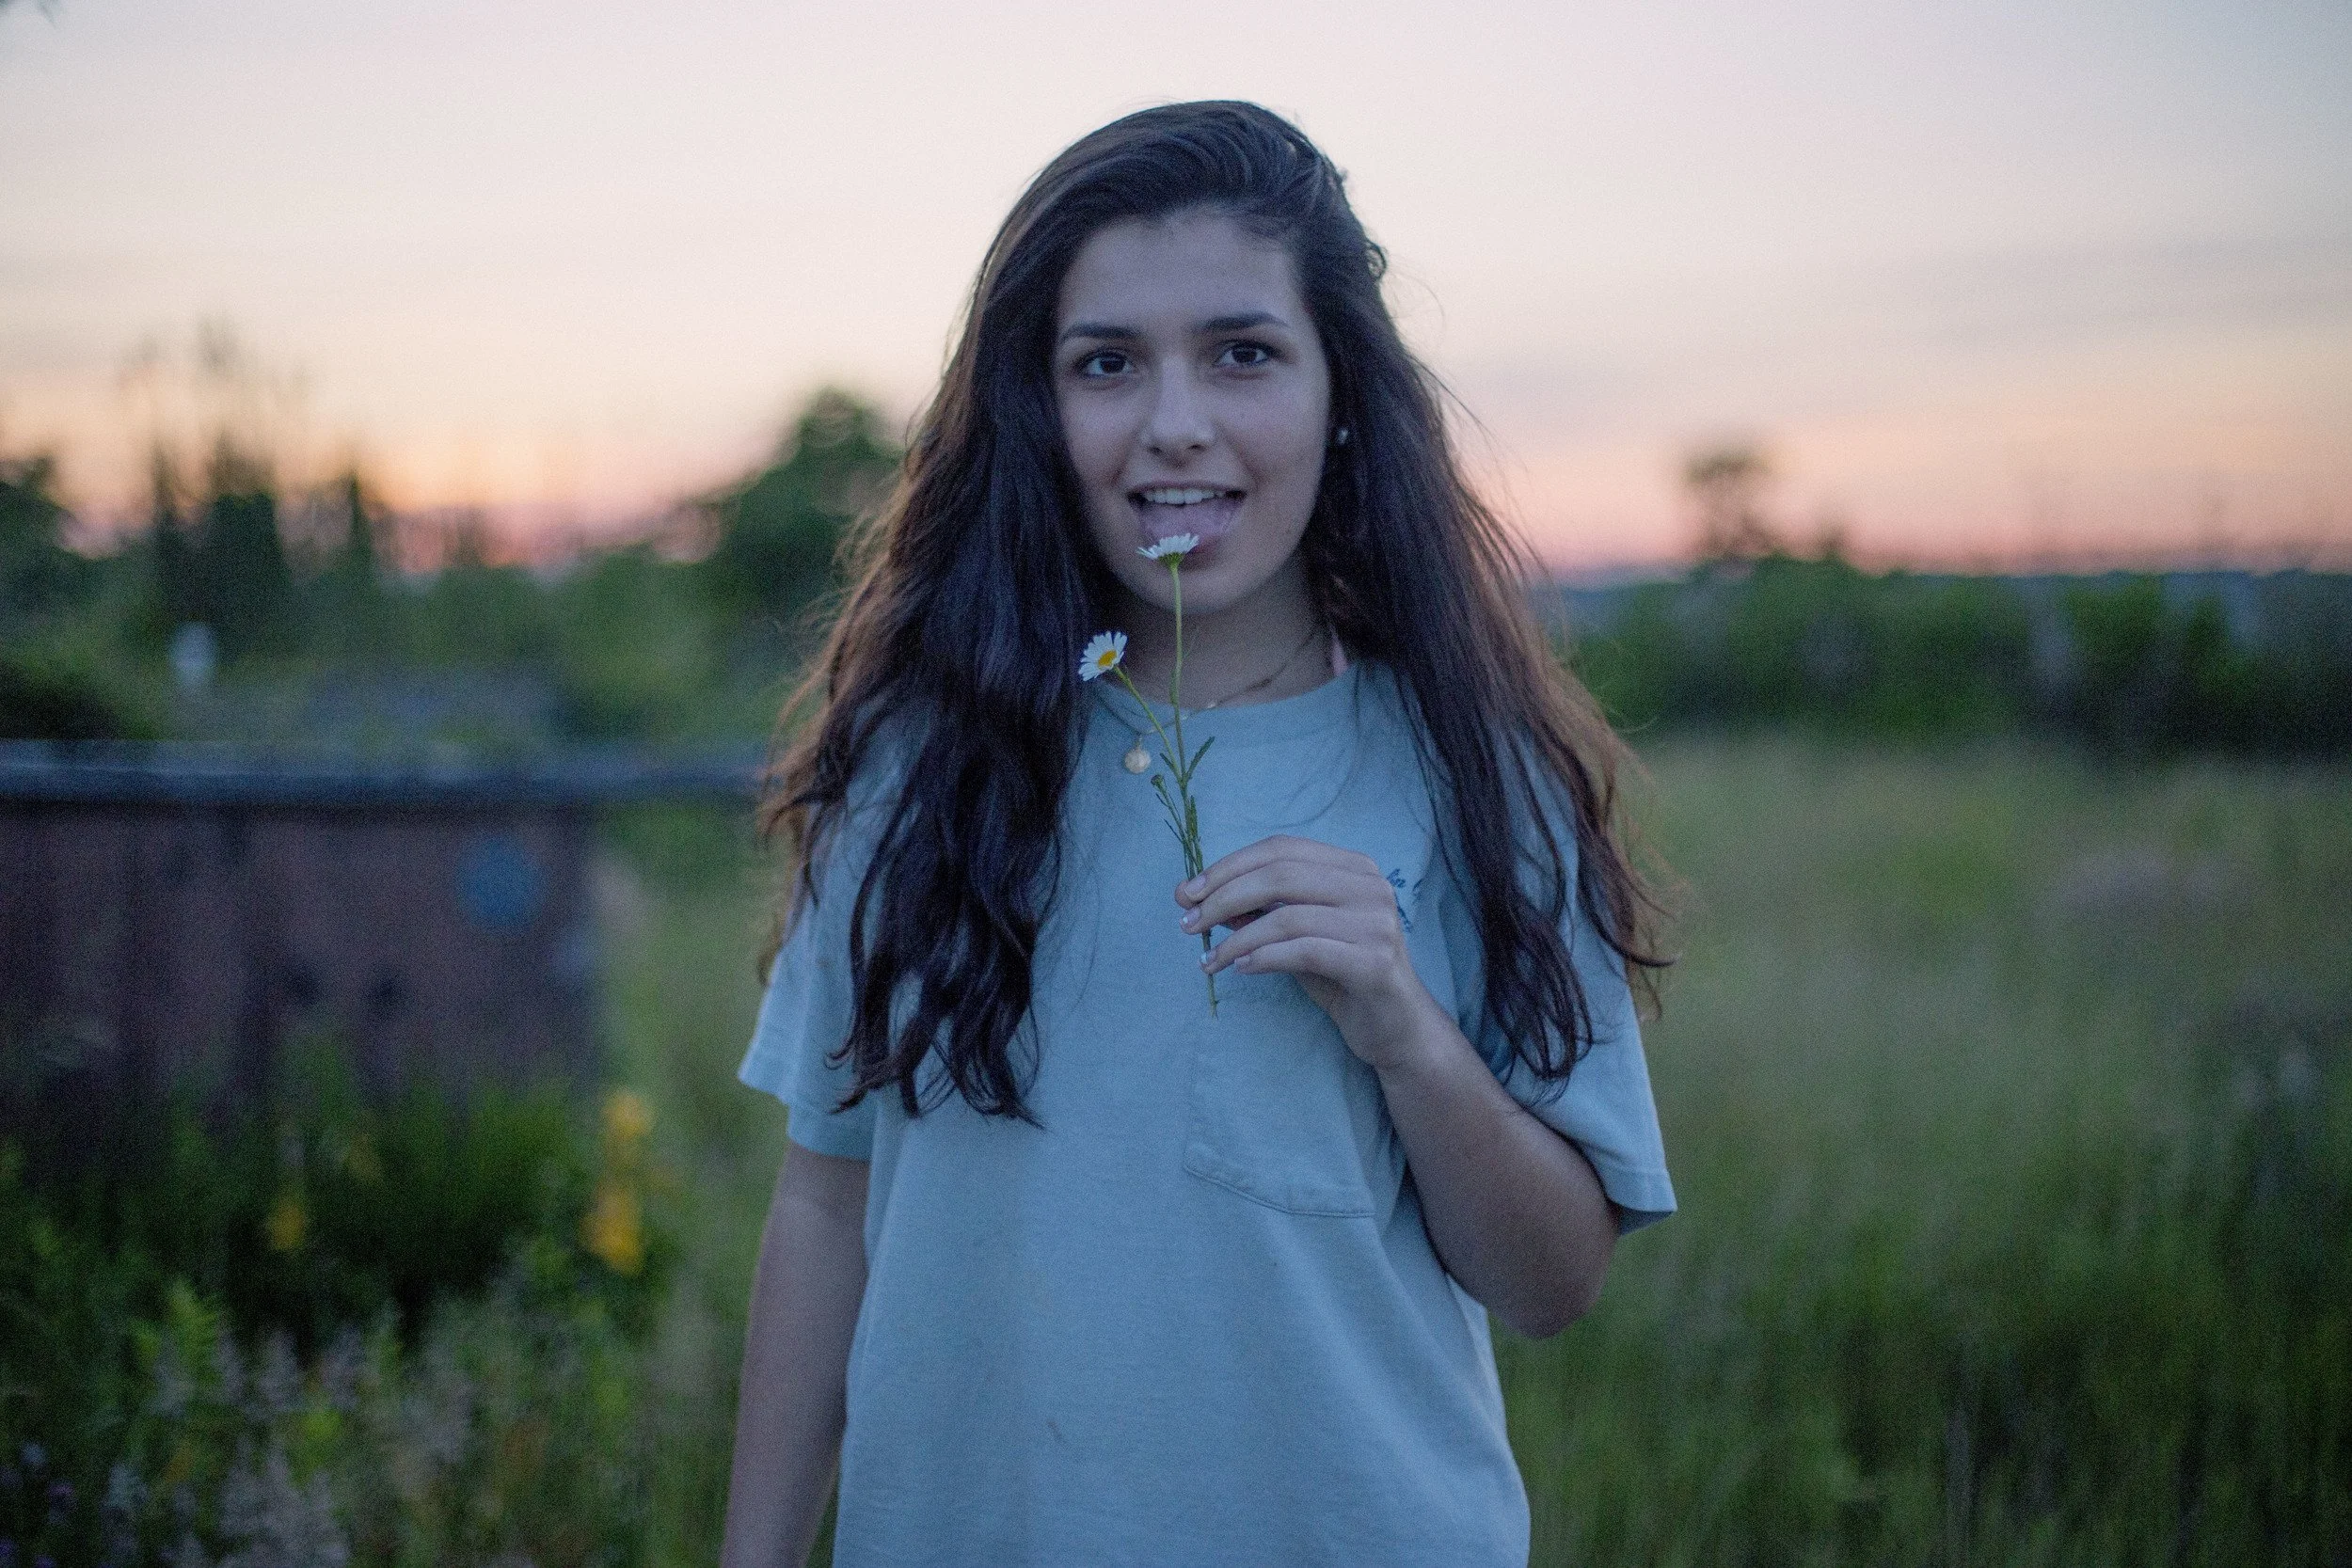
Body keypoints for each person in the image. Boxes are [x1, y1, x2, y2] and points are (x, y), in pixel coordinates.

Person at [721, 101, 1676, 1568]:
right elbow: (822, 1203)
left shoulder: (1474, 769)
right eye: (1109, 364)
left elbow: (1551, 1282)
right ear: (1043, 411)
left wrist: (1407, 1031)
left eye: (1243, 353)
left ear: (1338, 391)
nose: (1177, 423)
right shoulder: (922, 761)